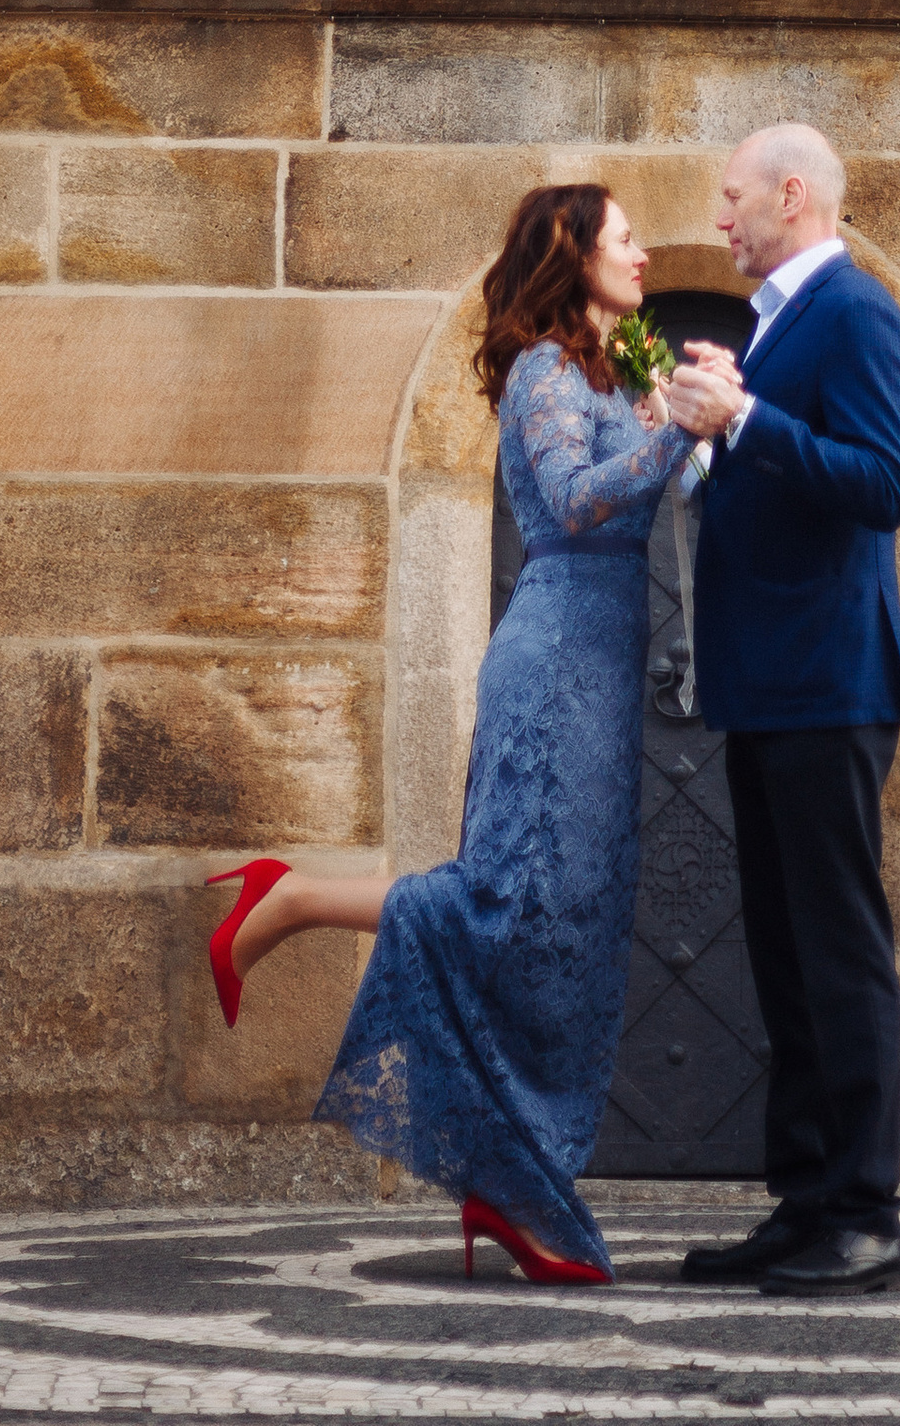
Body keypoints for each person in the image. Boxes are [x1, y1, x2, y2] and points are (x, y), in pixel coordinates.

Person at [207, 185, 692, 1286]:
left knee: (567, 917)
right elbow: (571, 501)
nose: (647, 251)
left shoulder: (616, 374)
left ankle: (504, 1174)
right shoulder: (543, 374)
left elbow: (647, 480)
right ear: (572, 256)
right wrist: (674, 439)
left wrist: (683, 418)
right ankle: (289, 900)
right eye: (626, 238)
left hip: (609, 672)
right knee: (509, 901)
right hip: (557, 662)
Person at [665, 125, 900, 1298]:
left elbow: (878, 485)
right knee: (783, 953)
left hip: (828, 680)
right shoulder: (779, 322)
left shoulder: (857, 310)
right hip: (770, 685)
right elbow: (781, 476)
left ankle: (864, 1217)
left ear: (790, 193)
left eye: (730, 200)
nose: (720, 220)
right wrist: (734, 420)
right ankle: (805, 1201)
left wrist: (746, 424)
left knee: (838, 952)